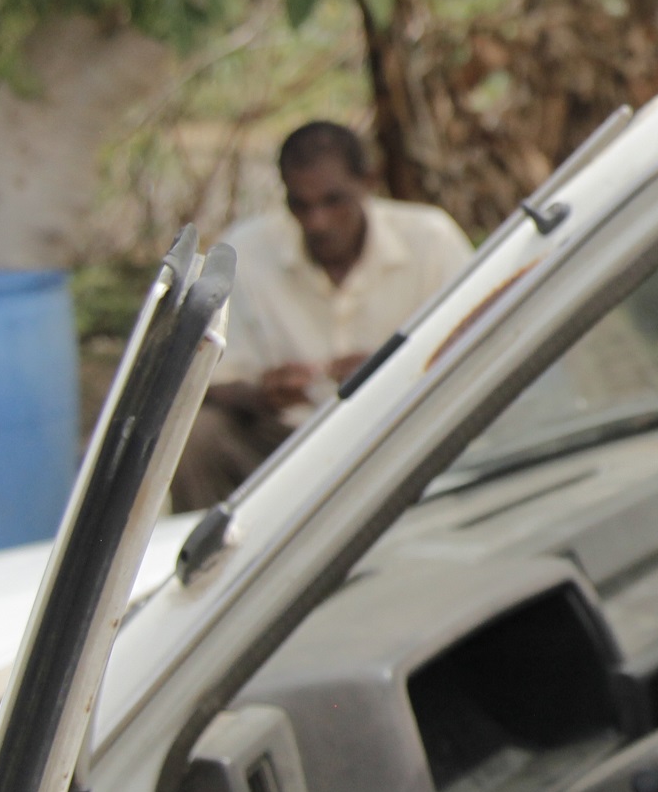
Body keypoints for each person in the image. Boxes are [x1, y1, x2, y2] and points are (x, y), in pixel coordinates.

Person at [175, 122, 473, 510]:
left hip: (408, 434)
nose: (317, 222)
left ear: (368, 182)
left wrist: (396, 373)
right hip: (289, 449)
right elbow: (197, 377)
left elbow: (484, 341)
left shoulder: (431, 241)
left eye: (333, 201)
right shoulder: (246, 251)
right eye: (300, 205)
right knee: (199, 435)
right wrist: (263, 394)